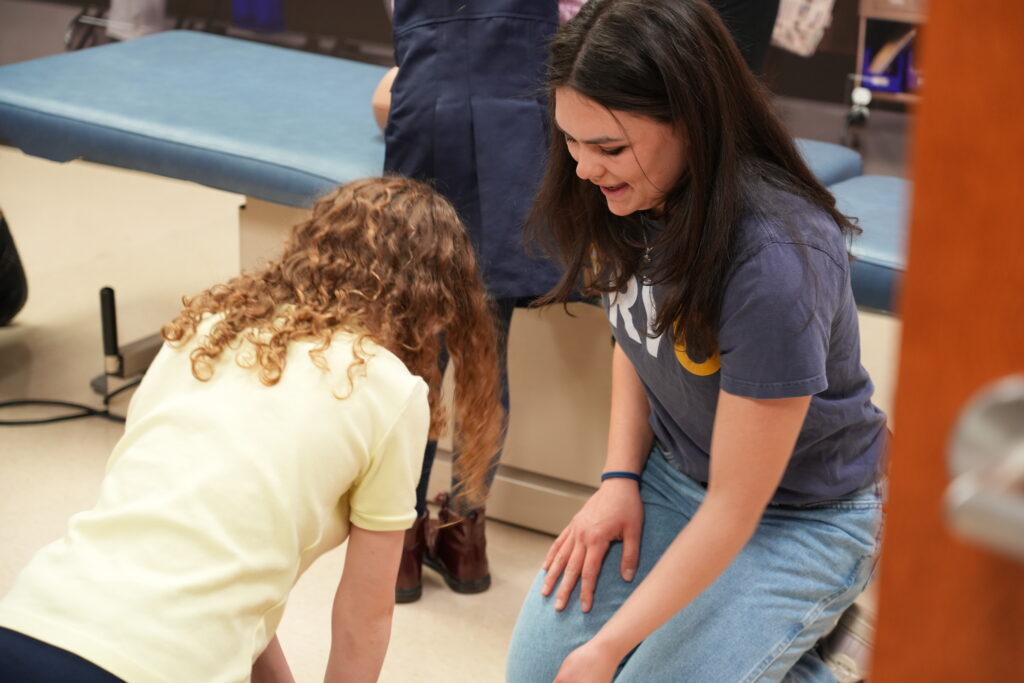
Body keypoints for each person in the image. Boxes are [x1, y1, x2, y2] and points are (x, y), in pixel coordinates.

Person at [505, 1, 887, 681]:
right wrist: (619, 479)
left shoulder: (773, 257)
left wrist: (605, 648)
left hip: (799, 516)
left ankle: (800, 635)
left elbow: (738, 504)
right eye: (571, 141)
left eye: (609, 148)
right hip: (675, 477)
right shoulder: (631, 190)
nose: (585, 169)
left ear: (691, 120)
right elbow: (635, 331)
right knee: (537, 673)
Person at [0, 177, 503, 683]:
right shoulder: (391, 391)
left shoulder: (205, 328)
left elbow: (218, 568)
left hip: (25, 622)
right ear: (433, 304)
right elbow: (364, 616)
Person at [383, 0, 564, 602]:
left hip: (426, 118)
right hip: (512, 134)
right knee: (486, 348)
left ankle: (401, 544)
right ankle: (465, 536)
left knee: (418, 356)